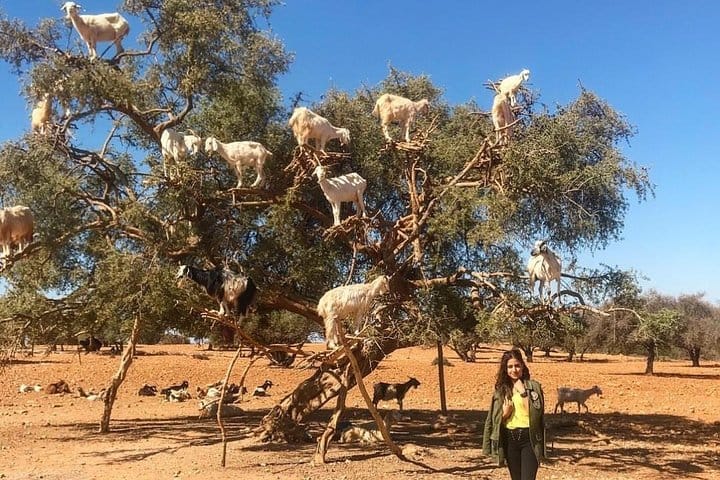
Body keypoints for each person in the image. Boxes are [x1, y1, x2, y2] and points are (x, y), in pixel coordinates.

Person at [482, 349, 546, 480]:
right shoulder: (501, 391)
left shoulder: (533, 387)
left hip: (529, 439)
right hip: (509, 439)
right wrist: (505, 414)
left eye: (517, 365)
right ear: (505, 369)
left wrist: (523, 392)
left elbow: (536, 413)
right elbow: (493, 420)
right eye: (510, 366)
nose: (514, 370)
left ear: (522, 366)